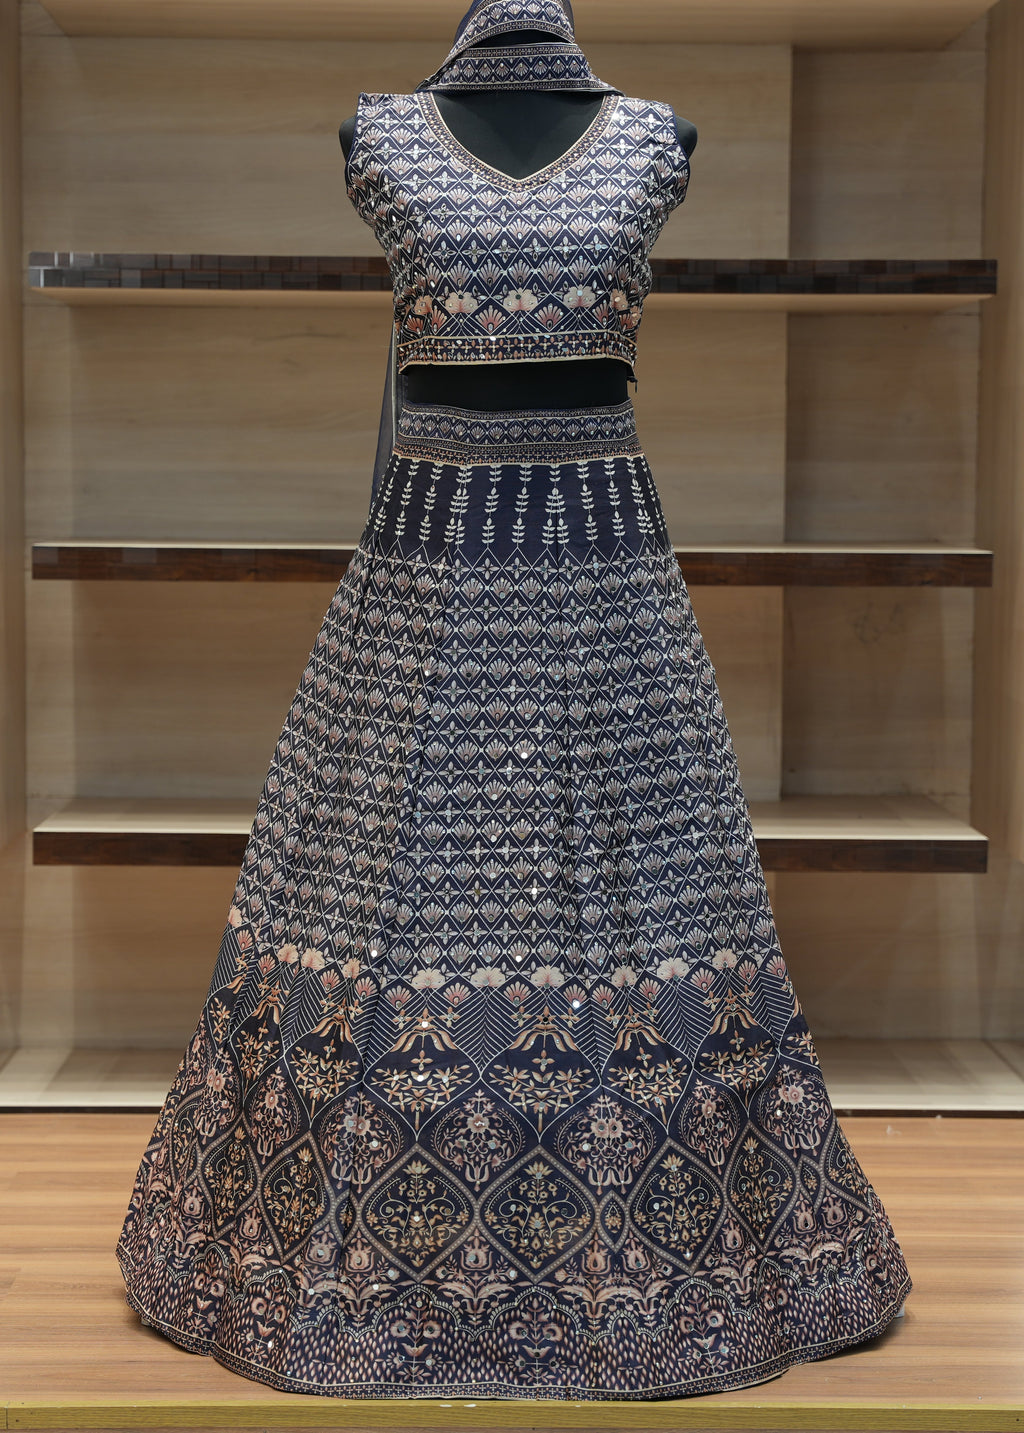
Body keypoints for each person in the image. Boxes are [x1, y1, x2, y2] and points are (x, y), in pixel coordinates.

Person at [116, 0, 911, 1399]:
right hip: (421, 580)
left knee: (649, 903)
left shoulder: (652, 139)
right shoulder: (384, 135)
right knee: (378, 901)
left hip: (609, 581)